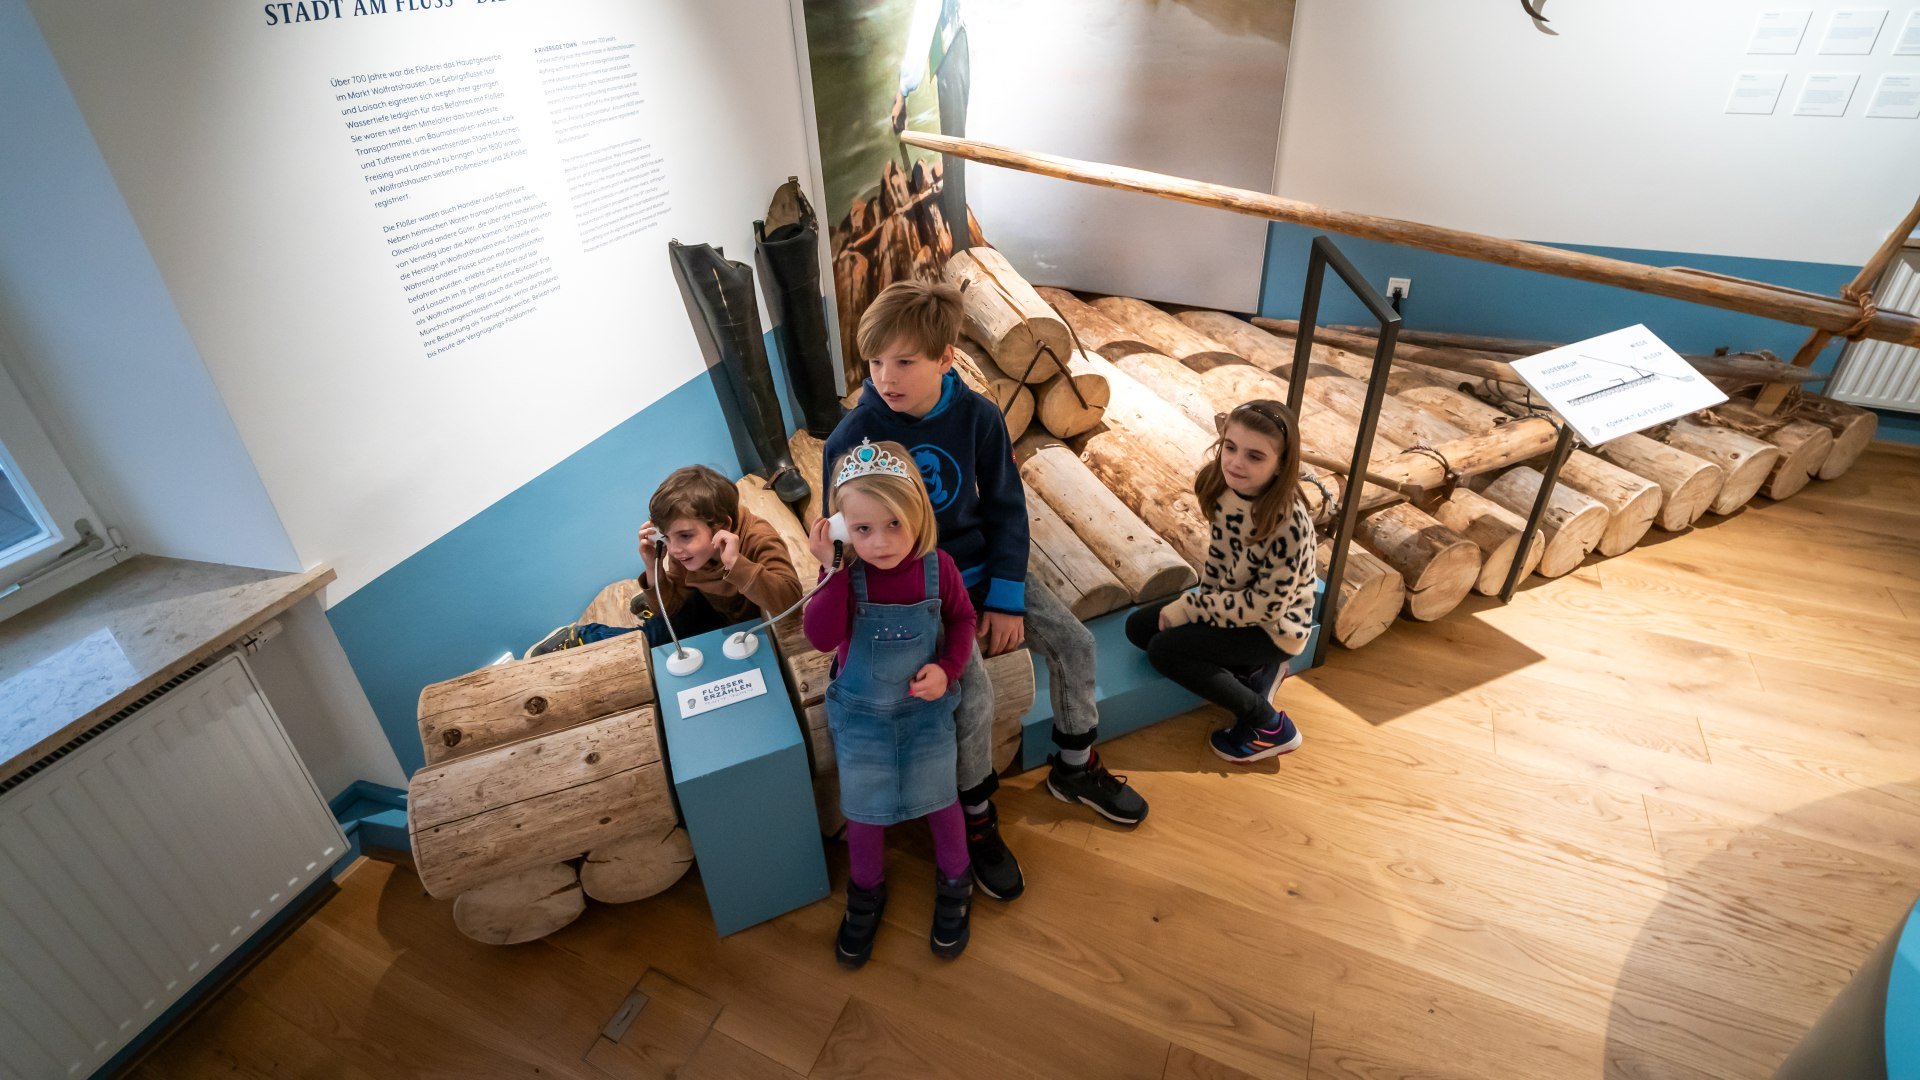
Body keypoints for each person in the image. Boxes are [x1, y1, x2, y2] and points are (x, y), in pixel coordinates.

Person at [824, 280, 1149, 905]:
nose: (885, 377)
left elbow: (1005, 508)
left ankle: (1076, 767)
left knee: (1077, 645)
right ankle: (977, 819)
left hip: (983, 572)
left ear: (946, 358)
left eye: (904, 362)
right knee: (971, 701)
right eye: (874, 362)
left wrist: (1003, 596)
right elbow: (842, 535)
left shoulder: (976, 416)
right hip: (920, 592)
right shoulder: (854, 438)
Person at [803, 438, 977, 967]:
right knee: (862, 811)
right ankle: (866, 890)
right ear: (840, 529)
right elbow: (819, 635)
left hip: (925, 714)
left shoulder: (937, 567)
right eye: (862, 529)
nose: (880, 543)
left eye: (894, 524)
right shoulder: (846, 577)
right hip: (862, 720)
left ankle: (955, 881)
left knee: (942, 799)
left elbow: (963, 621)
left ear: (917, 514)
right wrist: (831, 569)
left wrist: (948, 671)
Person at [1126, 400, 1318, 763]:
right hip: (1233, 609)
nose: (1235, 462)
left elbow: (1266, 606)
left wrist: (1192, 608)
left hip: (1275, 628)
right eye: (1230, 447)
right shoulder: (1220, 488)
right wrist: (1203, 609)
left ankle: (1268, 725)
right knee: (1138, 628)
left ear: (1281, 465)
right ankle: (1254, 670)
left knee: (1163, 650)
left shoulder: (1287, 524)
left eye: (1255, 456)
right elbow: (1220, 558)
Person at [526, 465, 803, 656]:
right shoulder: (685, 552)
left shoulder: (757, 538)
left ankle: (638, 611)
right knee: (655, 638)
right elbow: (671, 609)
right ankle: (584, 635)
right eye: (667, 538)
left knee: (664, 632)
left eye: (684, 536)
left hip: (744, 619)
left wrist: (736, 564)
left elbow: (790, 604)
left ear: (721, 525)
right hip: (709, 610)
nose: (676, 549)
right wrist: (653, 568)